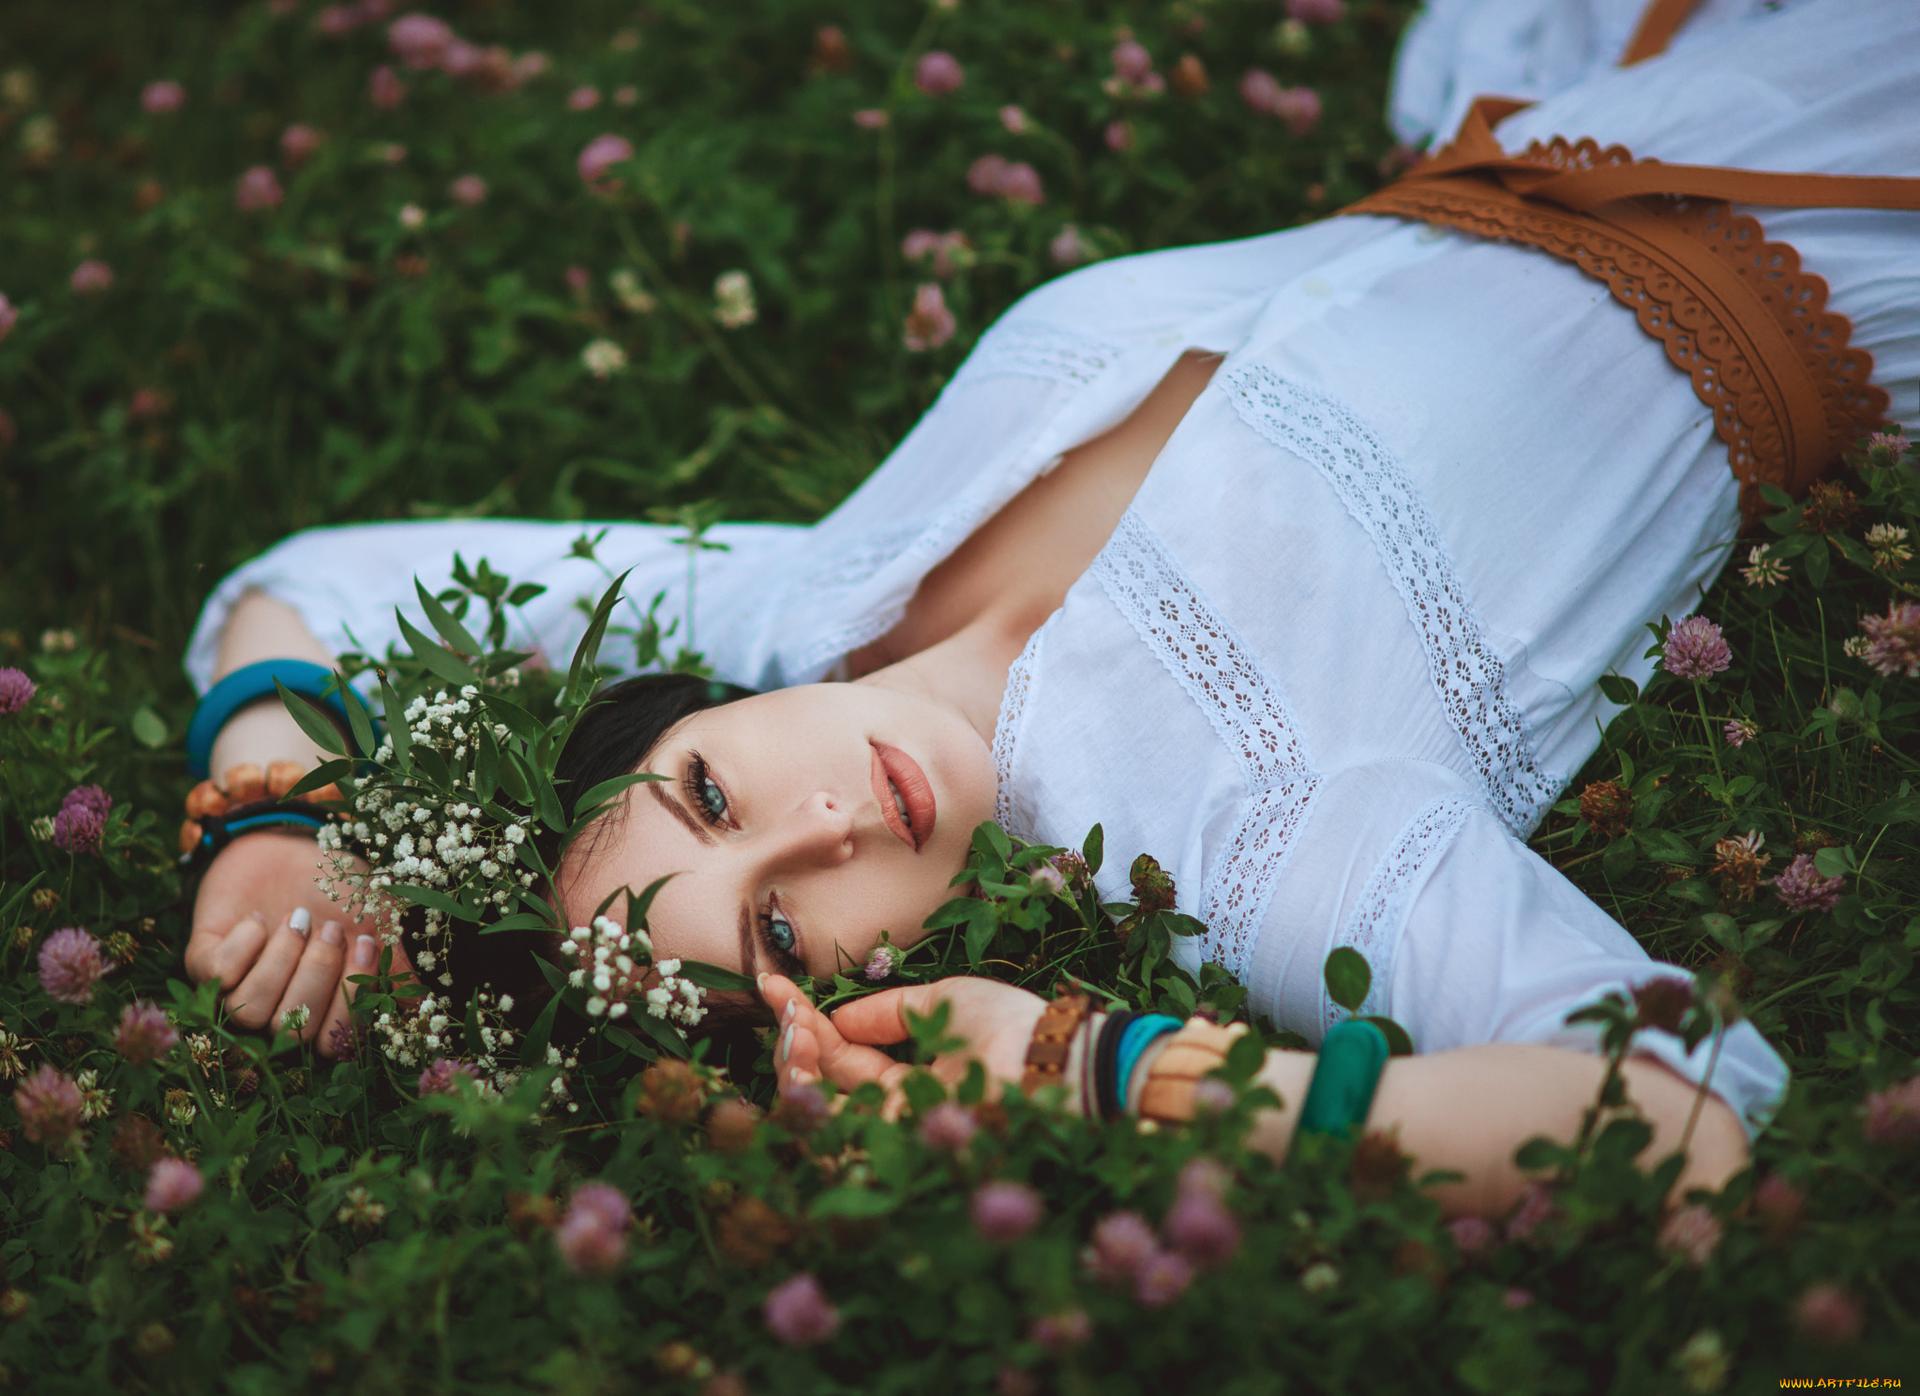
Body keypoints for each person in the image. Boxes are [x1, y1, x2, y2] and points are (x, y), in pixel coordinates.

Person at [180, 0, 1918, 1213]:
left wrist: (280, 815)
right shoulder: (1254, 847)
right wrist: (1102, 1070)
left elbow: (312, 583)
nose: (831, 824)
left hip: (1583, 115)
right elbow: (1674, 1107)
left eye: (711, 794)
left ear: (689, 711)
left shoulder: (797, 601)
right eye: (784, 934)